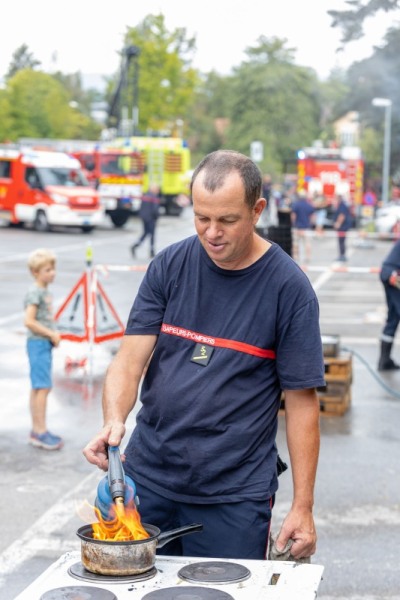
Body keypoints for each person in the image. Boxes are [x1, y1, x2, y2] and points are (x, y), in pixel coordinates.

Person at [84, 150, 324, 561]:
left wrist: (303, 506)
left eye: (227, 220)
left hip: (233, 497)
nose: (212, 232)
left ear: (256, 210)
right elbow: (129, 360)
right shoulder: (170, 264)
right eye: (202, 218)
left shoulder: (289, 288)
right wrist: (113, 419)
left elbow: (302, 403)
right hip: (148, 479)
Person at [24, 248, 63, 450]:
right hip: (38, 343)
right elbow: (28, 321)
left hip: (42, 344)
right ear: (35, 272)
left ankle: (37, 429)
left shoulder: (44, 290)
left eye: (53, 269)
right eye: (48, 270)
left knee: (39, 387)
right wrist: (51, 334)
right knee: (43, 387)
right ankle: (40, 432)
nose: (52, 273)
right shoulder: (35, 292)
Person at [377, 240, 400, 371]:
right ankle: (384, 360)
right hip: (393, 276)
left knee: (393, 317)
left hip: (388, 274)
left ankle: (384, 360)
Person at [131, 183, 160, 258]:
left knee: (145, 233)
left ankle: (136, 245)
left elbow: (141, 207)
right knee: (152, 235)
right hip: (151, 218)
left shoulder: (145, 196)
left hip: (144, 218)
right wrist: (156, 217)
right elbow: (155, 209)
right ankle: (151, 251)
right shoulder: (154, 198)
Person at [290, 189, 316, 264]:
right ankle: (308, 257)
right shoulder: (309, 205)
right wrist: (310, 224)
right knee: (307, 243)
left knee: (295, 243)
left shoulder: (296, 204)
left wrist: (293, 224)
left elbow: (293, 216)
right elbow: (313, 216)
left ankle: (295, 256)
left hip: (298, 227)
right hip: (306, 227)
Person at [332, 195, 353, 262]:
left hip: (343, 227)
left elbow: (342, 215)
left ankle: (342, 255)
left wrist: (338, 224)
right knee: (341, 241)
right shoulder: (342, 205)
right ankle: (342, 255)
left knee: (341, 241)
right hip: (343, 226)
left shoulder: (342, 206)